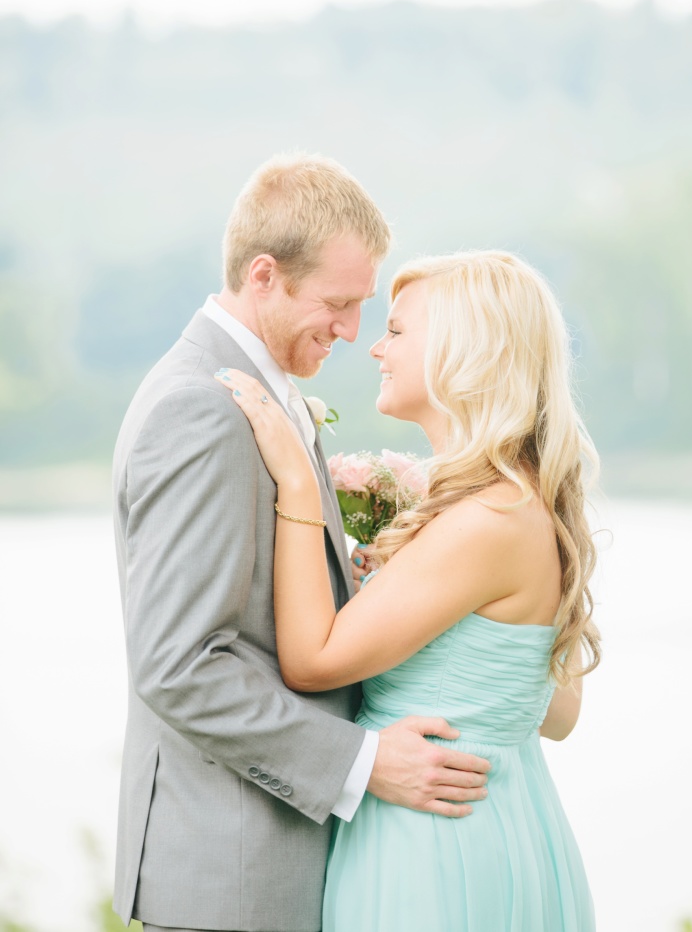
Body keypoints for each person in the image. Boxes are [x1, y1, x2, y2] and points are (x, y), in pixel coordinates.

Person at [111, 154, 492, 932]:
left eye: (363, 308)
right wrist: (364, 763)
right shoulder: (201, 408)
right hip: (231, 881)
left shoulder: (258, 392)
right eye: (338, 303)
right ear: (263, 276)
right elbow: (178, 667)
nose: (352, 331)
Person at [218, 249, 601, 931]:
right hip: (505, 818)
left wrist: (298, 484)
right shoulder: (516, 501)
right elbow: (557, 711)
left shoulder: (486, 521)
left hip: (433, 847)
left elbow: (312, 659)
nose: (373, 348)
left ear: (466, 352)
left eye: (396, 331)